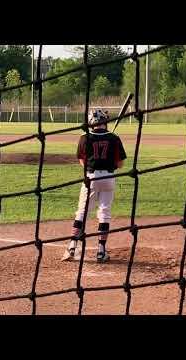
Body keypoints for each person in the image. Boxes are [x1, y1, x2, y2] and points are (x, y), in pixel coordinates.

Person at [62, 109, 127, 263]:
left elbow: (81, 160)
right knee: (104, 212)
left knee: (82, 212)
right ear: (104, 121)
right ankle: (101, 251)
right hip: (109, 178)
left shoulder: (84, 138)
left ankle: (72, 246)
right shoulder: (114, 138)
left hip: (90, 178)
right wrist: (109, 164)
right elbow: (120, 164)